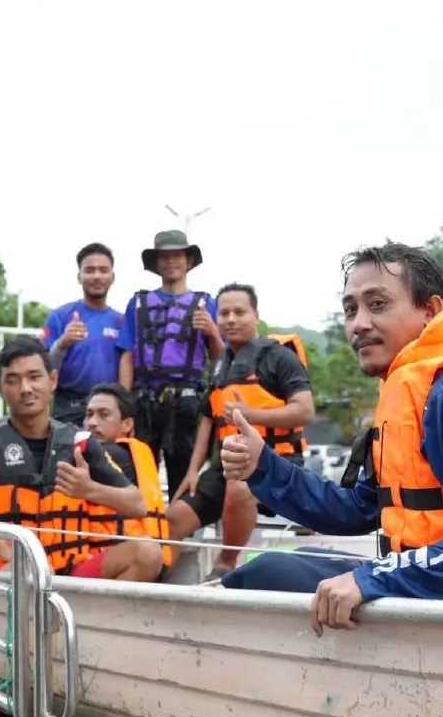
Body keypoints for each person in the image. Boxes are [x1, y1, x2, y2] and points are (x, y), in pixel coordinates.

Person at [215, 242, 443, 635]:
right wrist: (263, 466)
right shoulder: (406, 392)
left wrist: (373, 578)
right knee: (276, 566)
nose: (359, 324)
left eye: (378, 304)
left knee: (269, 574)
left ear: (431, 311)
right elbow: (357, 509)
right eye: (351, 309)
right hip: (431, 593)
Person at [0, 336, 165, 582]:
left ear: (52, 380)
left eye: (34, 377)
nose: (25, 389)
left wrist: (89, 489)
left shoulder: (79, 442)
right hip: (8, 574)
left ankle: (83, 610)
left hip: (70, 574)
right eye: (13, 380)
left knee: (148, 554)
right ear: (0, 389)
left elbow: (137, 505)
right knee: (28, 573)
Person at [169, 284, 314, 579]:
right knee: (173, 517)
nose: (231, 319)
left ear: (256, 315)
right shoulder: (220, 364)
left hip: (276, 459)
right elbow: (208, 419)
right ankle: (160, 583)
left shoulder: (280, 357)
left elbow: (305, 411)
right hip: (229, 463)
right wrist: (193, 471)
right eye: (224, 313)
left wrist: (250, 414)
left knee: (240, 486)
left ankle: (225, 565)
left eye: (239, 312)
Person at [117, 230, 224, 500]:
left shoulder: (206, 304)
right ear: (156, 263)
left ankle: (179, 525)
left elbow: (221, 360)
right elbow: (127, 356)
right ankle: (143, 524)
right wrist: (123, 406)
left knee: (183, 476)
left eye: (177, 255)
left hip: (186, 402)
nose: (171, 261)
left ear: (189, 261)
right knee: (139, 472)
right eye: (164, 256)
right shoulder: (138, 303)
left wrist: (212, 332)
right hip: (144, 401)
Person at [81, 382, 174, 573]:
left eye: (103, 415)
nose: (92, 422)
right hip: (148, 558)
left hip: (117, 557)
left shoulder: (113, 454)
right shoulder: (137, 452)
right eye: (89, 415)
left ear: (127, 424)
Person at [42, 242, 124, 425]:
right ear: (79, 277)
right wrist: (63, 343)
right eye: (89, 270)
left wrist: (125, 409)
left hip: (108, 412)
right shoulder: (60, 316)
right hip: (68, 409)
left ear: (113, 277)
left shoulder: (122, 322)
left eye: (103, 270)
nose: (97, 276)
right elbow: (43, 368)